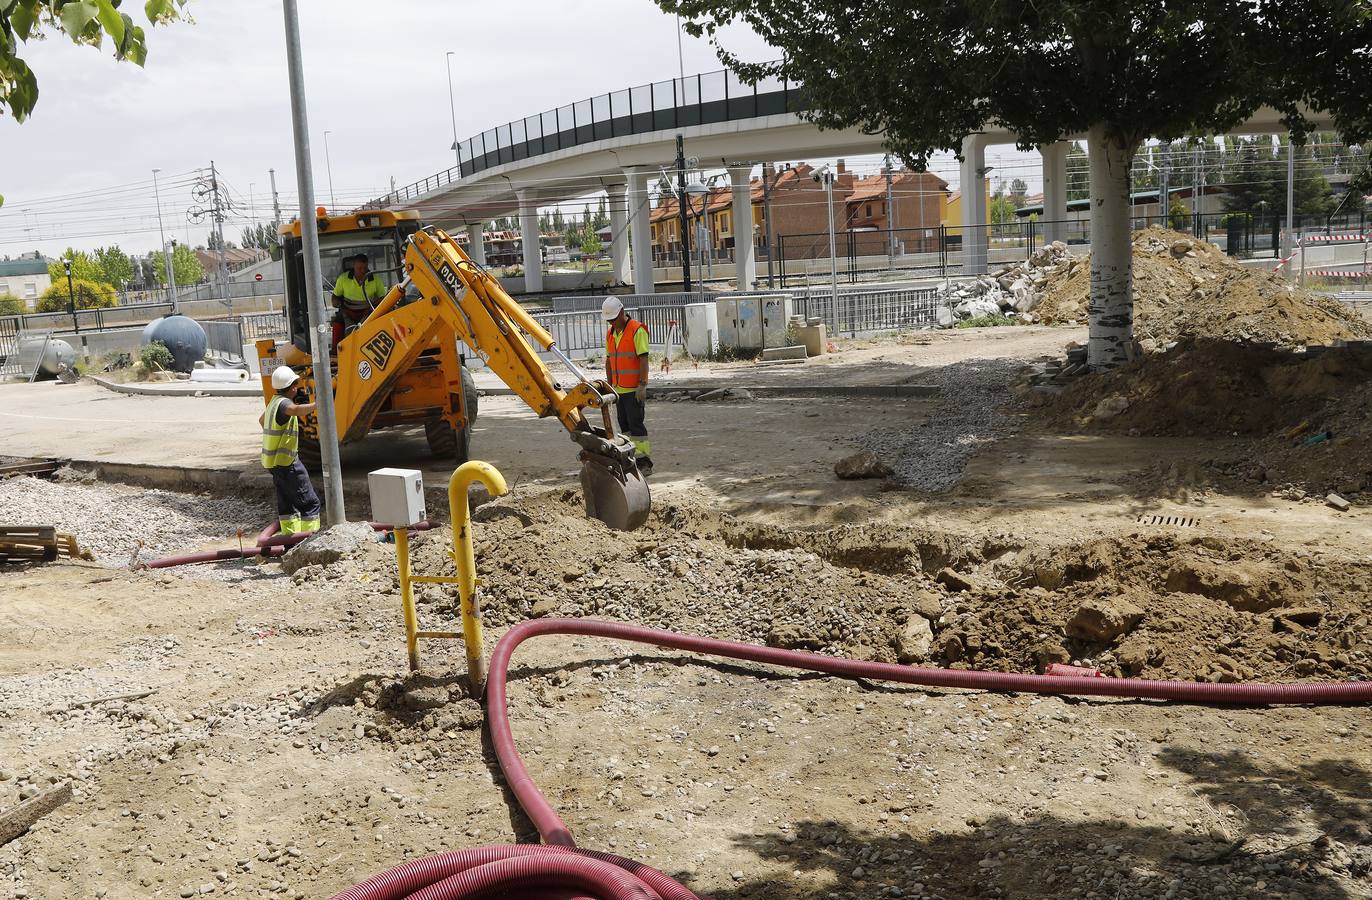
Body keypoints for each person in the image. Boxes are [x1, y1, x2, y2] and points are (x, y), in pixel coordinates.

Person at [260, 366, 322, 534]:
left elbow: (261, 420)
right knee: (310, 503)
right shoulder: (285, 404)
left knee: (287, 505)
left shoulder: (274, 402)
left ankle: (289, 541)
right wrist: (317, 404)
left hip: (273, 464)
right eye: (296, 383)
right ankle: (309, 540)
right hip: (287, 463)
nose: (297, 386)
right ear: (292, 386)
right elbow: (294, 410)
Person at [602, 297, 653, 475]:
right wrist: (609, 385)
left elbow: (643, 359)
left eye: (614, 319)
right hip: (618, 390)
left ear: (622, 312)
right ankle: (631, 459)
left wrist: (642, 385)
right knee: (624, 426)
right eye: (609, 320)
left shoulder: (636, 330)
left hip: (633, 389)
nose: (612, 323)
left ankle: (644, 461)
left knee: (636, 425)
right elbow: (609, 360)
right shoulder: (610, 334)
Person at [331, 253, 387, 349]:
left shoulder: (375, 280)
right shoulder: (343, 279)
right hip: (347, 312)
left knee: (385, 319)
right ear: (353, 266)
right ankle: (335, 352)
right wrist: (341, 306)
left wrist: (371, 308)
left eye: (364, 268)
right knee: (337, 322)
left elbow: (383, 298)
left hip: (368, 312)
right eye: (359, 268)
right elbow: (334, 298)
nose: (362, 271)